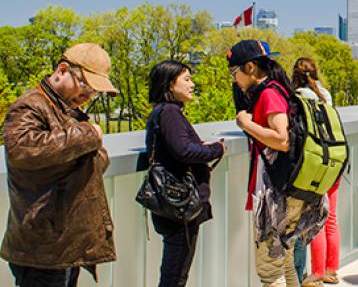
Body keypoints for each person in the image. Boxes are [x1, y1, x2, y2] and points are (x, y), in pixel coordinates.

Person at [1, 43, 118, 286]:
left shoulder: (69, 110)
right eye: (85, 85)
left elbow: (98, 160)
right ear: (62, 70)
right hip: (40, 248)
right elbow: (21, 150)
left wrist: (84, 142)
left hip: (64, 245)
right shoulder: (30, 106)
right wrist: (88, 134)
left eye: (94, 91)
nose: (88, 95)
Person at [229, 40, 327, 287]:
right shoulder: (279, 90)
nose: (234, 79)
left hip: (277, 197)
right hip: (291, 190)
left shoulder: (269, 94)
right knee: (285, 262)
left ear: (250, 67)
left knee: (271, 271)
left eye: (234, 71)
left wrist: (245, 123)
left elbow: (282, 139)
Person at [145, 60, 225, 287]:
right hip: (179, 205)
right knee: (175, 273)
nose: (192, 84)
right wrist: (216, 149)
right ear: (171, 84)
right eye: (187, 79)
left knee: (175, 268)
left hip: (172, 202)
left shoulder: (163, 112)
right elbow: (184, 150)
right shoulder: (170, 112)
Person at [292, 58, 341, 287]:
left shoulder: (297, 96)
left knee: (314, 220)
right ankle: (332, 269)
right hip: (334, 160)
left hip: (313, 165)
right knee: (330, 218)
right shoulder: (325, 94)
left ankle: (317, 272)